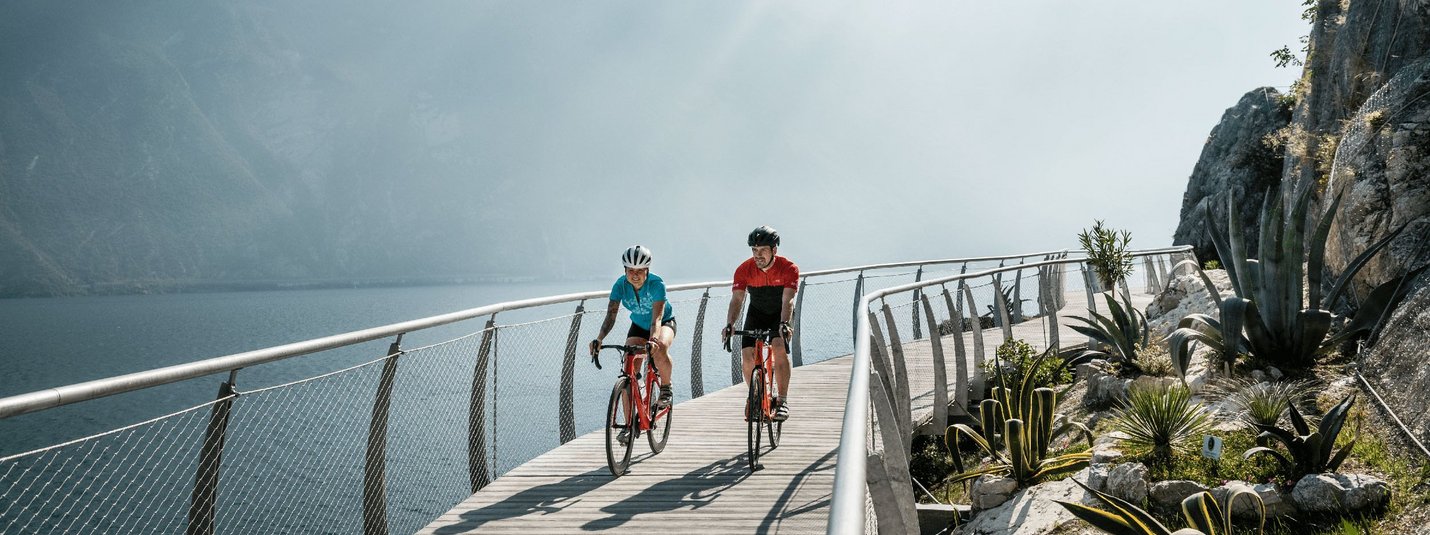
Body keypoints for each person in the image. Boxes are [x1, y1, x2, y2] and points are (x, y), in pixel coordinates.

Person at [721, 225, 798, 421]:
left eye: (763, 250)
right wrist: (730, 324)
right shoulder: (744, 269)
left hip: (779, 313)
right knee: (747, 354)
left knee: (778, 345)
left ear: (774, 250)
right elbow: (737, 300)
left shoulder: (789, 268)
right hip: (757, 312)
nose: (758, 255)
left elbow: (787, 300)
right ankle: (755, 396)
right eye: (754, 250)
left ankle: (782, 401)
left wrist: (784, 323)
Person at [590, 245, 677, 415]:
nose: (635, 275)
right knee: (629, 366)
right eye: (631, 270)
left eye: (639, 270)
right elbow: (611, 316)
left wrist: (653, 339)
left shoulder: (657, 284)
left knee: (660, 348)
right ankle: (629, 425)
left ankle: (666, 388)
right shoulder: (620, 286)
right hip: (638, 325)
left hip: (663, 322)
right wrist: (599, 339)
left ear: (647, 270)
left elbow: (657, 318)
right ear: (625, 270)